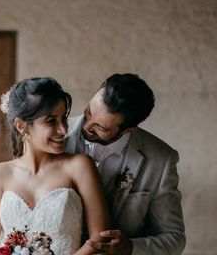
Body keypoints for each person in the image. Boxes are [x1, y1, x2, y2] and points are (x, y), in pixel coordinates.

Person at [0, 78, 110, 255]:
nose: (63, 129)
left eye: (64, 119)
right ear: (21, 126)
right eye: (51, 121)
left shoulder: (79, 166)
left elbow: (100, 239)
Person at [64, 74, 185, 255]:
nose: (87, 127)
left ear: (128, 129)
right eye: (88, 112)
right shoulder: (56, 135)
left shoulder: (161, 159)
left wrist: (130, 247)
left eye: (101, 127)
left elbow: (174, 238)